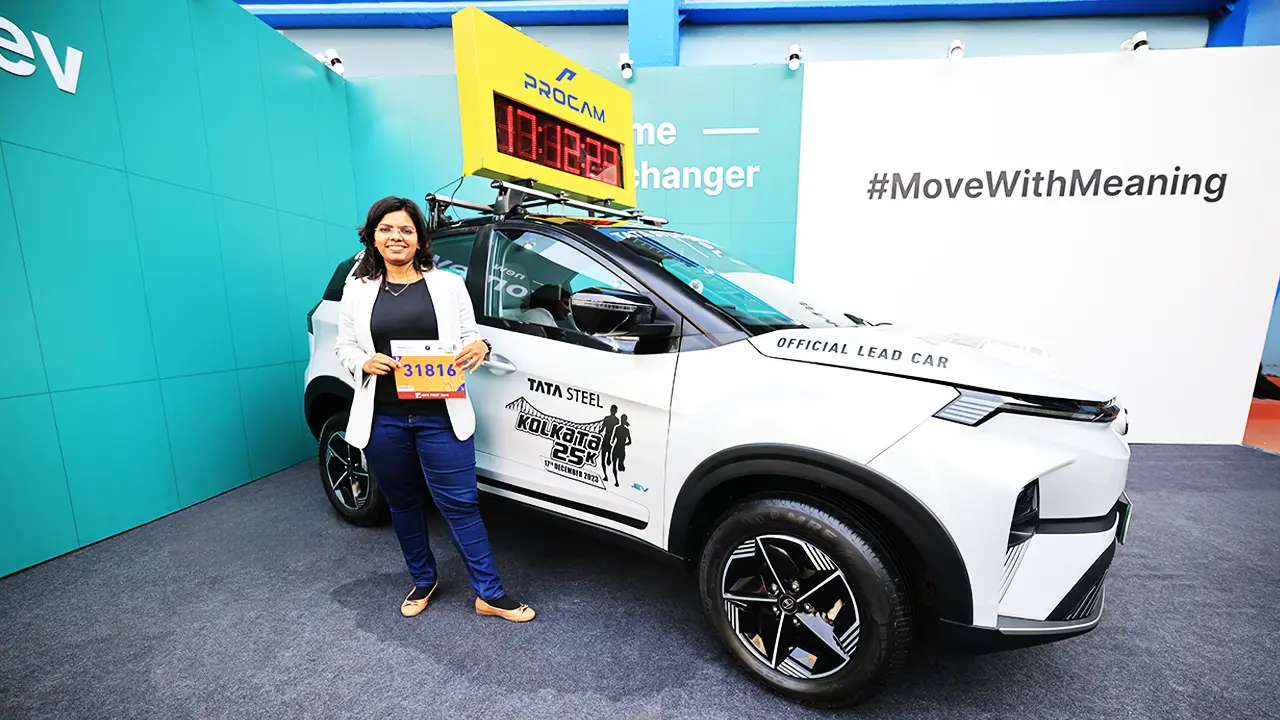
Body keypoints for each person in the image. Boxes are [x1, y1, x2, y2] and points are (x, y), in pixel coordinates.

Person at [333, 196, 535, 623]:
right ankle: (423, 579)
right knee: (403, 504)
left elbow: (470, 335)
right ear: (372, 236)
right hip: (385, 417)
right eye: (387, 229)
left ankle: (490, 594)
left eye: (406, 230)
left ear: (420, 238)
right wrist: (363, 362)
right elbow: (345, 346)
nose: (397, 237)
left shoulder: (447, 285)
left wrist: (481, 345)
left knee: (461, 505)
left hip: (441, 415)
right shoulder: (358, 290)